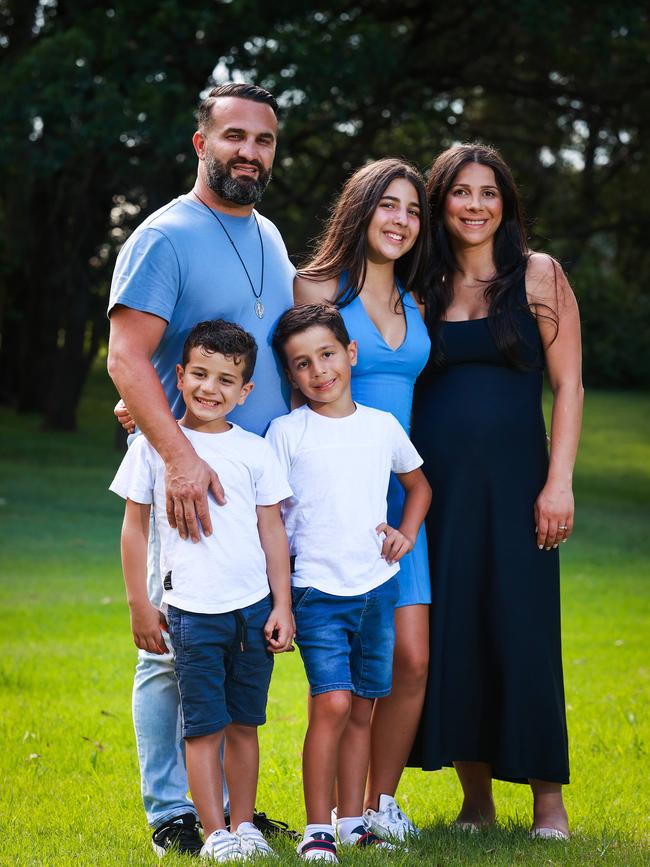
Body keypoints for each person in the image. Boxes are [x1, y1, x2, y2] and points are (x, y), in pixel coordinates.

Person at [107, 82, 295, 855]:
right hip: (185, 479)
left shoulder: (271, 236)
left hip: (251, 481)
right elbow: (126, 356)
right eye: (235, 137)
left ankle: (225, 811)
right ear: (201, 144)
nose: (250, 152)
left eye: (265, 140)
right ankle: (171, 813)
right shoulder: (164, 235)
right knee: (171, 653)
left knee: (234, 644)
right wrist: (180, 459)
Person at [410, 143, 583, 839]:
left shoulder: (538, 275)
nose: (475, 204)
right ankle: (475, 803)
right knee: (456, 633)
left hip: (520, 490)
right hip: (439, 492)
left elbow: (568, 383)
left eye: (488, 192)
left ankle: (549, 805)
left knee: (524, 632)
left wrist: (559, 481)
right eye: (460, 192)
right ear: (441, 202)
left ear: (505, 203)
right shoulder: (422, 286)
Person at [110, 320, 294, 861]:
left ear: (246, 391)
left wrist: (281, 603)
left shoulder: (257, 452)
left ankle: (245, 825)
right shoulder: (153, 445)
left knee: (244, 723)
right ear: (179, 375)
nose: (210, 388)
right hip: (190, 612)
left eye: (225, 379)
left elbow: (272, 531)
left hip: (252, 610)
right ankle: (214, 832)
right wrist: (139, 604)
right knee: (203, 725)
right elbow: (134, 527)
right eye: (199, 374)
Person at [293, 159, 431, 839]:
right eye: (389, 205)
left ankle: (377, 805)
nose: (401, 220)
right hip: (338, 507)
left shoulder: (417, 302)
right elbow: (281, 377)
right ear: (362, 208)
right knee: (341, 683)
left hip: (403, 504)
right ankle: (340, 813)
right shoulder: (318, 286)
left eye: (412, 209)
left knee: (411, 658)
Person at [266, 304, 432, 862]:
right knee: (331, 704)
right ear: (290, 375)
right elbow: (270, 516)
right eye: (303, 363)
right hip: (316, 592)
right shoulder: (286, 432)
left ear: (351, 353)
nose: (319, 371)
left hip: (376, 589)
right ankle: (317, 827)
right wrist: (281, 600)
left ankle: (353, 820)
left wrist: (405, 534)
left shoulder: (382, 427)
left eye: (328, 354)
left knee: (363, 706)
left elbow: (419, 487)